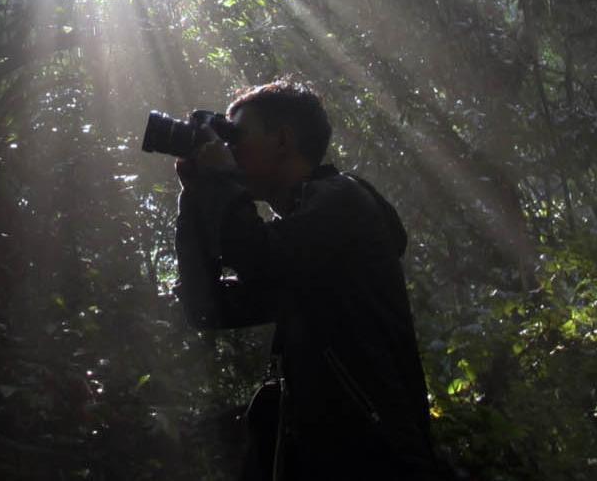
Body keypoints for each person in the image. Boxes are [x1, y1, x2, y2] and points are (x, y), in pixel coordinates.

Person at [175, 80, 444, 479]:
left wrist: (219, 182)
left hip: (377, 455)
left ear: (283, 139)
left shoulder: (343, 203)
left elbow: (260, 258)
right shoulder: (301, 240)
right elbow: (207, 307)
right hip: (331, 455)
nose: (229, 150)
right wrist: (195, 197)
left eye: (236, 136)